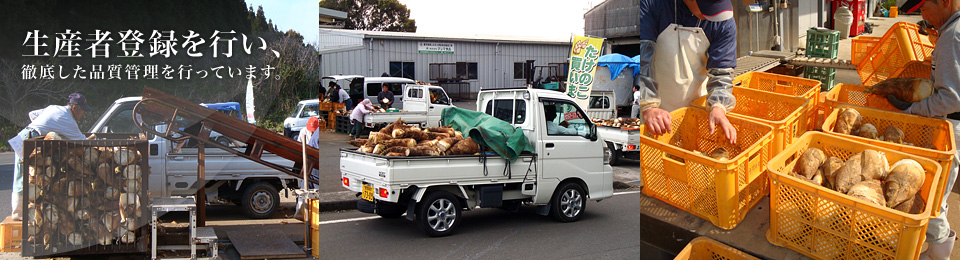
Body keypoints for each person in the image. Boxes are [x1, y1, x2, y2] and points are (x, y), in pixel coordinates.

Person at [887, 1, 960, 258]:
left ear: (945, 2)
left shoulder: (953, 36)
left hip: (952, 127)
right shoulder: (951, 32)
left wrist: (911, 112)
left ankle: (938, 255)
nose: (923, 15)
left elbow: (952, 98)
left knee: (932, 199)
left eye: (925, 7)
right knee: (939, 192)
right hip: (952, 125)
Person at [633, 0, 738, 144]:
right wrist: (648, 106)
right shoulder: (653, 5)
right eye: (707, 7)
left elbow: (722, 72)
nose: (712, 15)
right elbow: (644, 59)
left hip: (695, 111)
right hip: (657, 117)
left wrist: (718, 107)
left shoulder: (723, 20)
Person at [9, 93, 94, 221]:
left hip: (29, 135)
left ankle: (26, 209)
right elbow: (82, 140)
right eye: (82, 110)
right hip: (28, 140)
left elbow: (32, 114)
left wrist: (44, 126)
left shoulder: (54, 108)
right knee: (22, 176)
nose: (83, 114)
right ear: (75, 108)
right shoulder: (67, 119)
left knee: (25, 175)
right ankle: (17, 213)